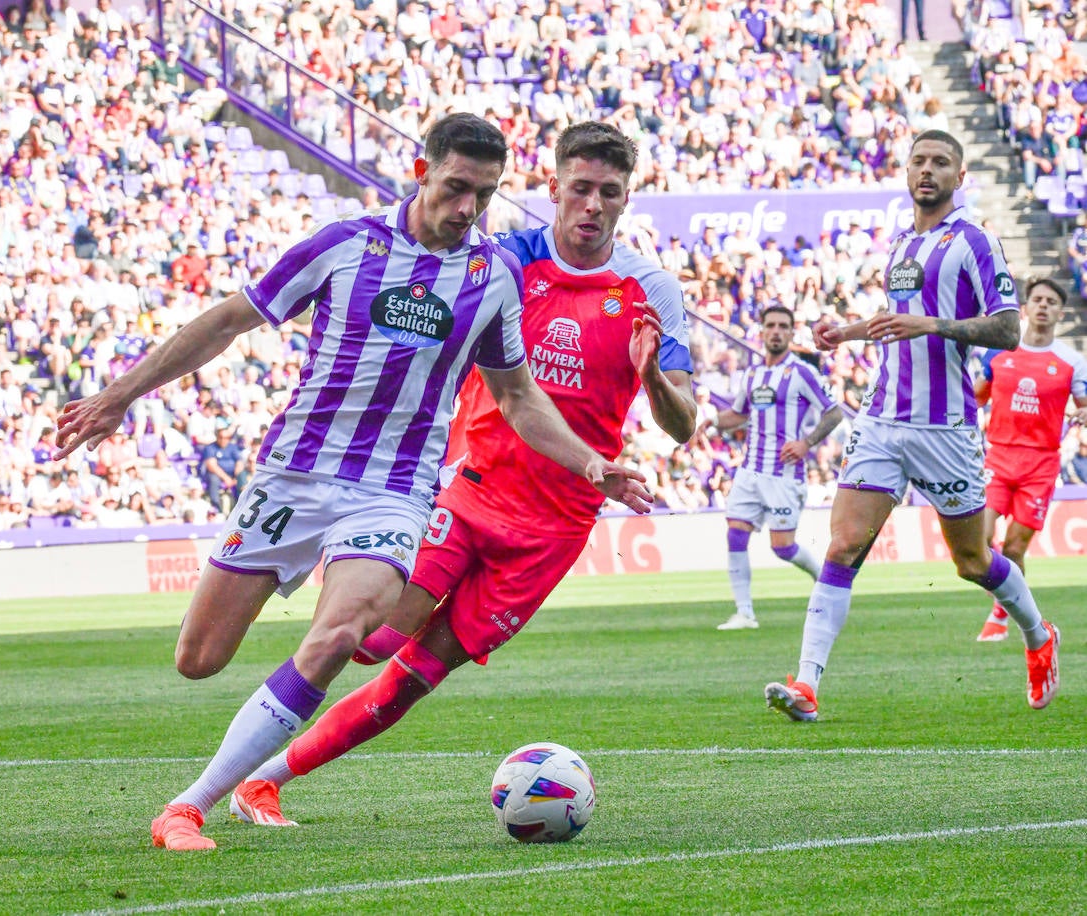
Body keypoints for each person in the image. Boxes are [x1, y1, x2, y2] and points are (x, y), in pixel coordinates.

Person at [51, 114, 653, 851]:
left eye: (484, 196)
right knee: (198, 660)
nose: (467, 209)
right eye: (457, 188)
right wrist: (119, 396)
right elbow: (228, 320)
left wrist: (592, 463)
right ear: (422, 169)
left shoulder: (490, 276)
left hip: (392, 492)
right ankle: (248, 718)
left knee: (342, 634)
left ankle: (189, 806)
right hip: (295, 477)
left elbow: (520, 395)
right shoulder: (345, 247)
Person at [222, 121, 697, 829]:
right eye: (581, 189)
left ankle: (261, 782)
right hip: (471, 490)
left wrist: (652, 374)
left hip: (555, 529)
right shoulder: (500, 262)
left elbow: (684, 422)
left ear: (628, 199)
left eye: (610, 193)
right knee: (371, 642)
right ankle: (319, 586)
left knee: (409, 683)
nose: (593, 204)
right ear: (554, 187)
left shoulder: (647, 289)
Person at [764, 130, 1060, 722]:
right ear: (905, 172)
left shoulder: (975, 242)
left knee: (972, 562)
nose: (928, 171)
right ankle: (808, 684)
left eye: (940, 163)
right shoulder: (902, 243)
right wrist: (846, 333)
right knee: (844, 545)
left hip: (945, 427)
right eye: (919, 162)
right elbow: (896, 323)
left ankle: (1037, 634)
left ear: (960, 174)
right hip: (880, 421)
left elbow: (1005, 329)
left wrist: (933, 324)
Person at [713, 306, 844, 630]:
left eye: (782, 326)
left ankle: (824, 580)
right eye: (770, 325)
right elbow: (738, 414)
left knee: (783, 548)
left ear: (790, 333)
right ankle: (744, 613)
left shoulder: (802, 373)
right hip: (749, 471)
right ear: (761, 330)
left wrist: (806, 443)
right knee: (735, 535)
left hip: (783, 474)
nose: (775, 331)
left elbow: (834, 413)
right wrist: (711, 422)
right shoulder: (752, 374)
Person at [972, 277, 1087, 641]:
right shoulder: (1000, 350)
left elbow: (1084, 406)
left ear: (1059, 312)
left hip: (1041, 465)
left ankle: (1004, 616)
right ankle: (1005, 604)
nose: (1043, 306)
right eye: (1037, 299)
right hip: (999, 457)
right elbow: (975, 396)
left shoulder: (1072, 362)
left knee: (1015, 547)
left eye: (1051, 302)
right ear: (1026, 306)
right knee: (982, 538)